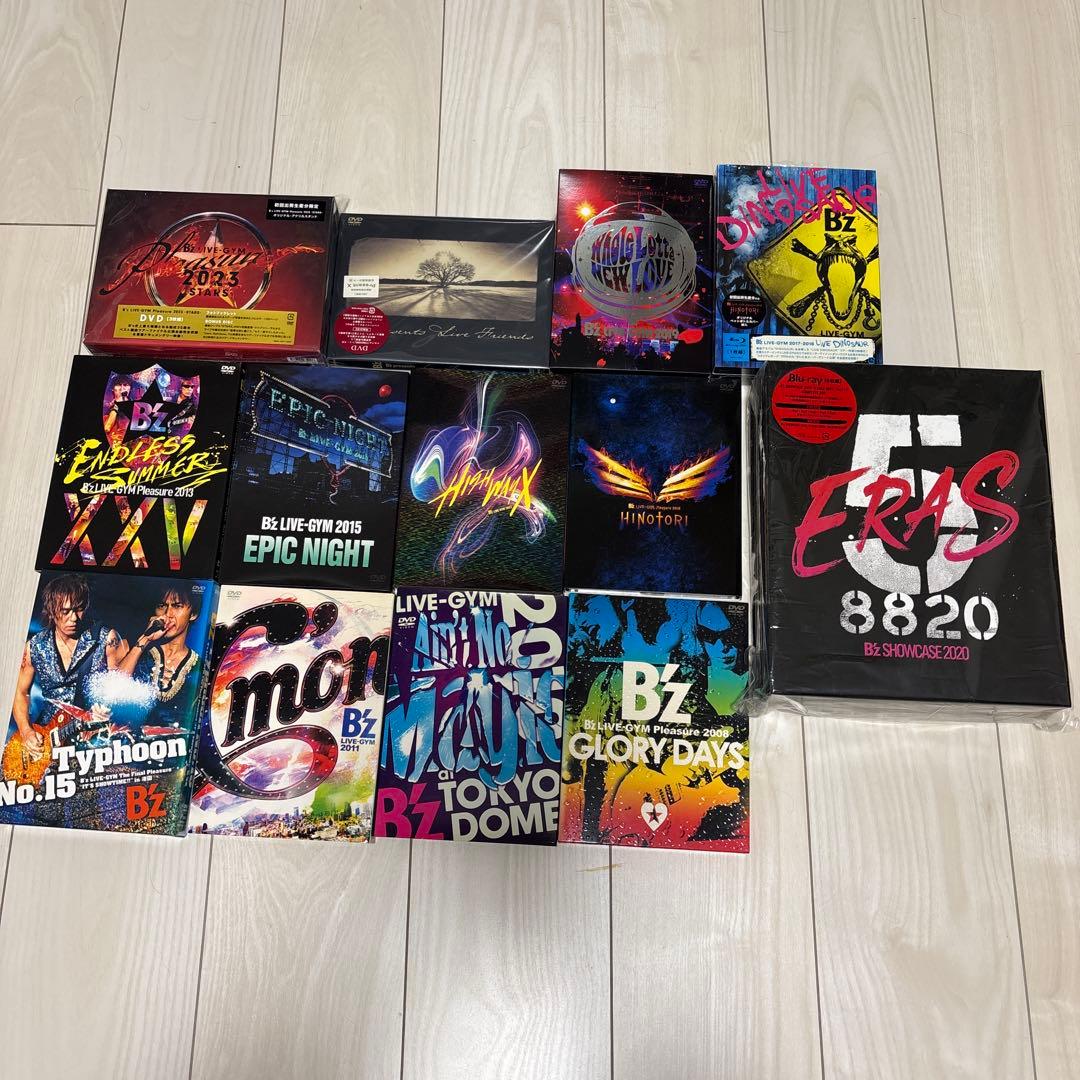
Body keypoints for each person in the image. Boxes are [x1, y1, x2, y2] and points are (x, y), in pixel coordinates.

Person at [10, 574, 127, 761]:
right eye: (65, 611)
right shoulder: (35, 646)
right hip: (48, 738)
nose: (73, 618)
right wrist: (26, 731)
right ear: (51, 610)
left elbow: (123, 687)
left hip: (92, 740)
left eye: (79, 609)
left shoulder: (106, 639)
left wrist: (110, 708)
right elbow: (20, 692)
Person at [120, 583, 203, 729]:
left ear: (193, 614)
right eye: (162, 606)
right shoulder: (141, 652)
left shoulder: (199, 668)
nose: (168, 614)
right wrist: (145, 639)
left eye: (177, 606)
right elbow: (114, 687)